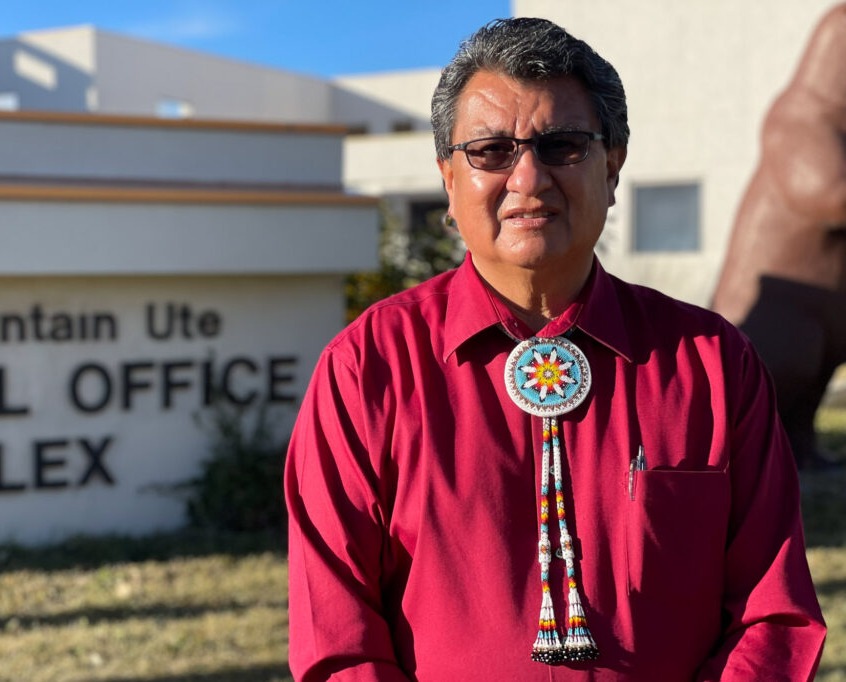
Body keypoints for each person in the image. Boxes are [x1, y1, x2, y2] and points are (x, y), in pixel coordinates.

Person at [285, 17, 826, 681]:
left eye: (563, 146)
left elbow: (771, 618)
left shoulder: (711, 365)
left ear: (613, 164)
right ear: (448, 179)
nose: (529, 178)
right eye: (491, 152)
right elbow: (338, 641)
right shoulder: (367, 369)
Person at [711, 3, 846, 470]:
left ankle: (801, 449)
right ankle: (750, 459)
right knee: (782, 363)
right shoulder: (800, 122)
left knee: (810, 377)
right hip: (776, 314)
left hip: (819, 314)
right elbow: (830, 194)